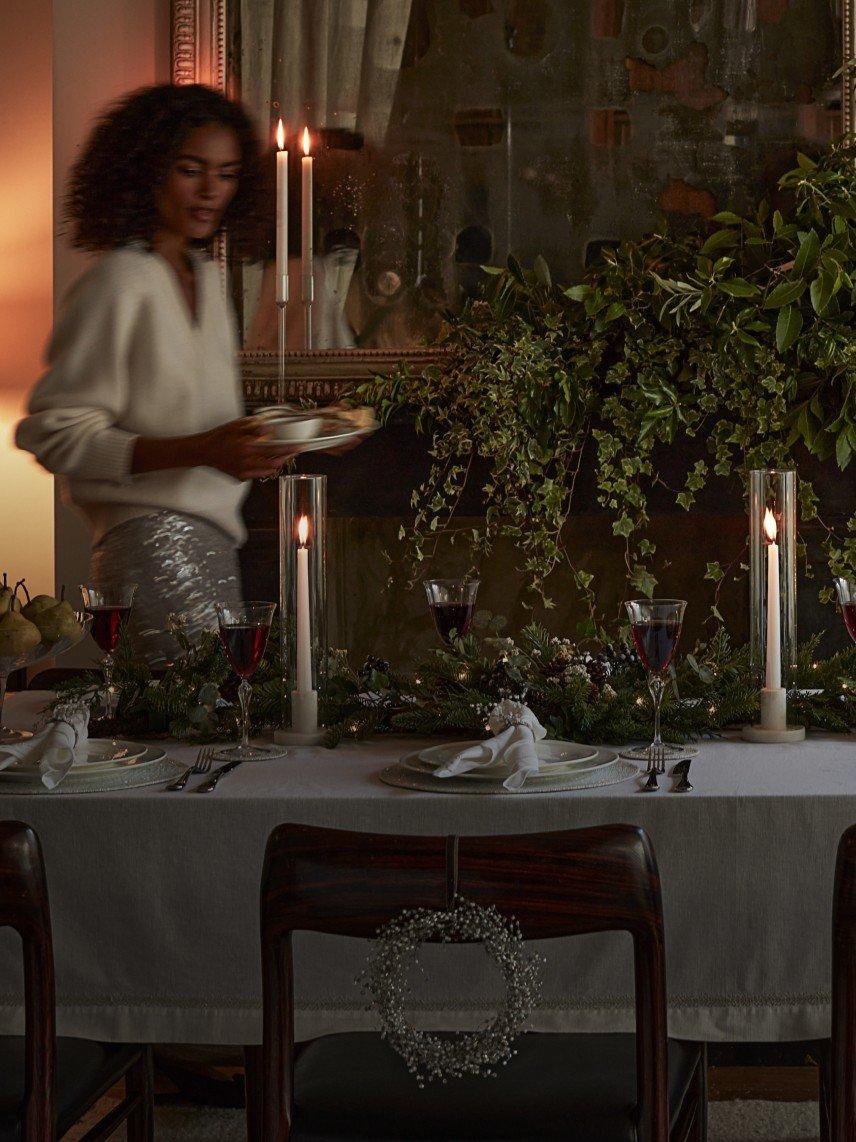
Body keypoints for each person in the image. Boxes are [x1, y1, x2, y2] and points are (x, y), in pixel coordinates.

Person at [16, 84, 298, 665]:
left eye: (226, 173)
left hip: (218, 543)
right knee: (184, 733)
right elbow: (52, 433)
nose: (210, 191)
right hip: (147, 545)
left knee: (218, 727)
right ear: (144, 170)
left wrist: (295, 435)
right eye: (190, 169)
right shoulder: (119, 280)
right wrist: (203, 450)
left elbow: (205, 424)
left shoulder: (206, 278)